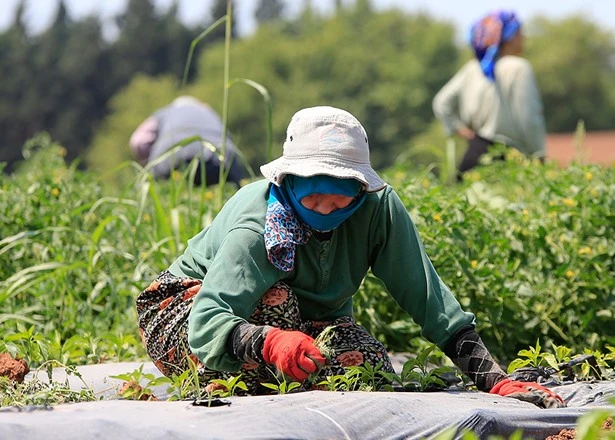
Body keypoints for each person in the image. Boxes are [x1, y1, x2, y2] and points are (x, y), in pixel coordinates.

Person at [136, 106, 564, 409]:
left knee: (370, 367)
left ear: (361, 188)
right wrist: (269, 341)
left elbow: (429, 300)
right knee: (277, 305)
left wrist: (495, 380)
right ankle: (234, 380)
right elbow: (209, 319)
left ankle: (274, 377)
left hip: (305, 323)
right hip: (183, 315)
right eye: (315, 197)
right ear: (290, 182)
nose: (327, 211)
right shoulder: (259, 220)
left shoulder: (378, 210)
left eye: (341, 200)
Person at [433, 10, 547, 177]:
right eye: (520, 33)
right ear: (508, 38)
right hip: (508, 159)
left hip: (472, 157)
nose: (524, 38)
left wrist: (460, 129)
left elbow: (441, 102)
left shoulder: (473, 68)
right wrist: (539, 155)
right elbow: (529, 118)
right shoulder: (519, 67)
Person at [130, 96, 245, 187]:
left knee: (152, 193)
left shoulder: (164, 113)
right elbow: (228, 138)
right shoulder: (209, 111)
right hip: (220, 159)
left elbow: (138, 142)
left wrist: (148, 162)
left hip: (171, 160)